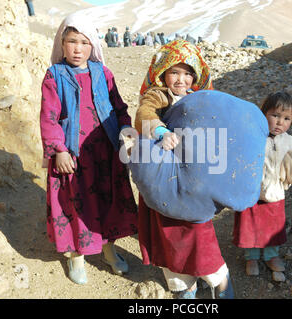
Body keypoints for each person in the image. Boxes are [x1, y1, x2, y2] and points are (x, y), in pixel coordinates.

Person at [40, 12, 138, 285]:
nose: (78, 49)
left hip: (104, 152)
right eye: (72, 41)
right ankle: (76, 256)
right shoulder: (55, 75)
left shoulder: (103, 73)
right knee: (75, 203)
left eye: (84, 42)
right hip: (72, 155)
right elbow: (48, 116)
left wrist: (126, 134)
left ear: (93, 45)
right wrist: (58, 149)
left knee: (107, 201)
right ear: (62, 43)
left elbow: (119, 108)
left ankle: (108, 248)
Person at [134, 40, 234, 299]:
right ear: (162, 73)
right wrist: (159, 131)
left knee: (199, 236)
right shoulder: (158, 95)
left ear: (196, 76)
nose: (181, 79)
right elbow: (144, 113)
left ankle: (219, 283)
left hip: (193, 182)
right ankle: (184, 290)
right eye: (174, 72)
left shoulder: (201, 99)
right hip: (163, 183)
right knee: (170, 240)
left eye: (188, 73)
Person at [233, 92, 292, 278]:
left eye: (287, 118)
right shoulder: (254, 136)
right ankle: (252, 257)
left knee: (273, 228)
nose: (280, 122)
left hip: (275, 194)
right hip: (252, 195)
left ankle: (271, 255)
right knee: (250, 227)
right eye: (275, 115)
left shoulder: (289, 141)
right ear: (263, 115)